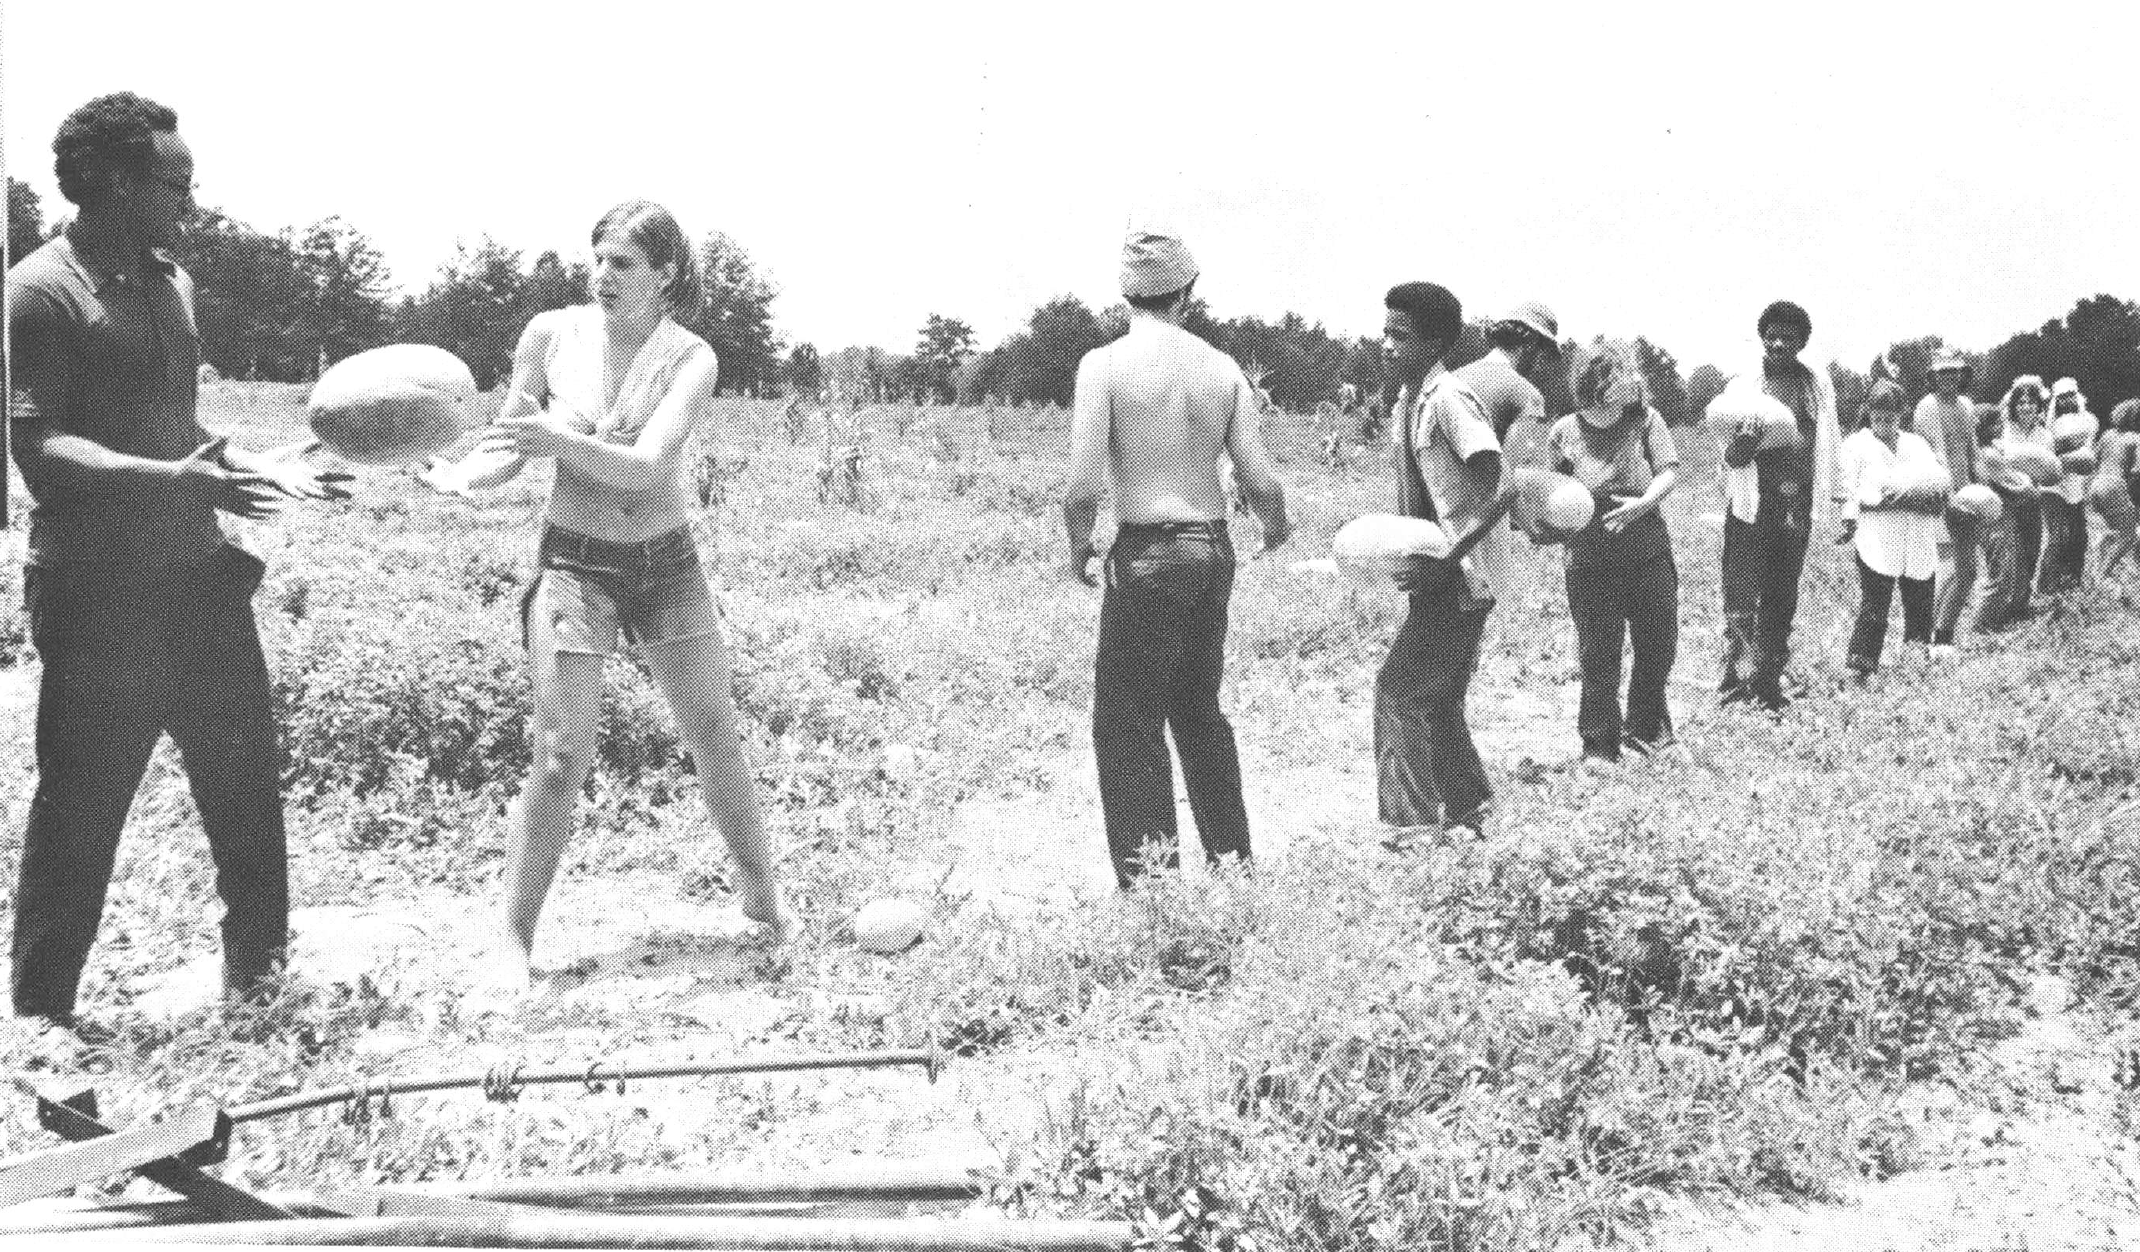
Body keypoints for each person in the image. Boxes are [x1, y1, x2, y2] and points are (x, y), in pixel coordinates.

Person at [5, 93, 353, 1032]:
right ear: (115, 182)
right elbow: (43, 454)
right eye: (176, 183)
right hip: (96, 591)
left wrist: (257, 465)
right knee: (82, 799)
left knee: (244, 783)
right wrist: (184, 481)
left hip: (195, 578)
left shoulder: (173, 282)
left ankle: (260, 992)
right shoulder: (40, 292)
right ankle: (41, 1017)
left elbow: (182, 430)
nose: (189, 203)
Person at [421, 199, 783, 991]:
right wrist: (457, 478)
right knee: (560, 755)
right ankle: (515, 942)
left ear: (666, 274)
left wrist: (558, 440)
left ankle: (761, 893)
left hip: (665, 563)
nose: (602, 276)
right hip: (575, 564)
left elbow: (651, 464)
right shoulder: (550, 336)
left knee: (713, 732)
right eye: (597, 259)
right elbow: (507, 447)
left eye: (623, 263)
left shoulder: (691, 357)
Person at [1062, 230, 1291, 889]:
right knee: (1198, 710)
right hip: (1211, 549)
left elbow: (1081, 488)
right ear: (1188, 293)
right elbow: (1261, 480)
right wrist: (1274, 529)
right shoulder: (1223, 369)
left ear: (1124, 292)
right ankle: (1233, 867)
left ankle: (1154, 886)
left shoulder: (1103, 366)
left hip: (1148, 551)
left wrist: (1080, 544)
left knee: (1128, 721)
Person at [1374, 282, 1515, 844]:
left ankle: (1413, 830)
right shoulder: (1411, 399)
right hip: (1446, 576)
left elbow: (1499, 485)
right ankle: (1473, 813)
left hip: (1457, 577)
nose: (1387, 346)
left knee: (1400, 691)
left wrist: (1449, 560)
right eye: (1385, 333)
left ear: (1435, 342)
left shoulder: (1449, 400)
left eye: (1400, 337)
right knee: (1438, 699)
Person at [1545, 340, 1680, 765]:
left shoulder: (1646, 419)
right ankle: (1599, 745)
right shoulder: (1564, 430)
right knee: (1599, 651)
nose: (1614, 383)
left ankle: (1646, 731)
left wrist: (1643, 504)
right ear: (1589, 381)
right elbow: (1552, 493)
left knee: (1658, 643)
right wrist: (1547, 523)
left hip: (1646, 544)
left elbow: (1668, 471)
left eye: (1619, 374)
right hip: (1590, 555)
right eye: (1604, 375)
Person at [1707, 301, 1843, 712]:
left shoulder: (1815, 387)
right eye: (1773, 335)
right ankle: (1734, 682)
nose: (1780, 343)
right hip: (1751, 502)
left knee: (1782, 594)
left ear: (1802, 343)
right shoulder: (1744, 387)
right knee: (1741, 590)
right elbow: (1729, 457)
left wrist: (1841, 498)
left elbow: (1830, 441)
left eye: (1789, 337)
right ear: (1762, 337)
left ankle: (1766, 683)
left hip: (1795, 505)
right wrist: (1743, 447)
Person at [1839, 381, 1946, 677]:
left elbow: (1934, 483)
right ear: (1868, 412)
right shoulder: (1856, 446)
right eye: (1877, 416)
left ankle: (1915, 663)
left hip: (1918, 533)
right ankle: (1861, 668)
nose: (1883, 423)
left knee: (1921, 601)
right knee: (1875, 604)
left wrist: (1918, 498)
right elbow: (1847, 491)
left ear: (1902, 414)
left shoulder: (1917, 444)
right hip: (1878, 535)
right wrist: (1858, 511)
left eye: (1891, 417)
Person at [1916, 350, 1983, 657]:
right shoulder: (1927, 407)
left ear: (1962, 375)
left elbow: (1973, 452)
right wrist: (1950, 496)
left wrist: (1981, 490)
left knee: (1968, 569)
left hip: (1967, 494)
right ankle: (1930, 637)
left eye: (1954, 372)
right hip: (1941, 495)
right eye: (1943, 373)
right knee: (1948, 565)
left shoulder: (1966, 406)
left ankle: (1944, 634)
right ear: (1933, 376)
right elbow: (1935, 456)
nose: (1949, 378)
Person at [1978, 375, 2051, 631]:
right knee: (2011, 558)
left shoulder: (2045, 435)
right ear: (2013, 406)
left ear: (2039, 406)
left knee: (2031, 551)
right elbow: (2000, 471)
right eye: (2021, 402)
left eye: (2031, 402)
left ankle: (2021, 604)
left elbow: (2049, 468)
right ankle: (1999, 612)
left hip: (2031, 501)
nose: (2026, 407)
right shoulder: (2003, 432)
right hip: (2008, 504)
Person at [1454, 301, 1558, 465]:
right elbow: (1528, 469)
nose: (1543, 361)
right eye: (1545, 350)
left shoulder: (1453, 378)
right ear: (1531, 342)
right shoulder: (1526, 394)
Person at [2038, 377, 2097, 593]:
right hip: (2053, 487)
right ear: (2056, 401)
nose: (2066, 401)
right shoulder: (2048, 425)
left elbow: (2088, 455)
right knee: (2058, 536)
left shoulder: (2089, 420)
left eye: (2070, 396)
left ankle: (2073, 581)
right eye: (2061, 398)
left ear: (2077, 396)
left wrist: (2075, 455)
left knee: (2080, 536)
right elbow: (2048, 456)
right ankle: (2047, 586)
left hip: (2075, 487)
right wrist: (2066, 452)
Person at [2091, 399, 2140, 579]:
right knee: (2129, 536)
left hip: (2096, 484)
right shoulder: (2136, 439)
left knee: (2116, 529)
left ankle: (2100, 553)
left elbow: (2093, 461)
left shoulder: (2107, 435)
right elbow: (2137, 470)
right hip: (2115, 485)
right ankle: (2102, 575)